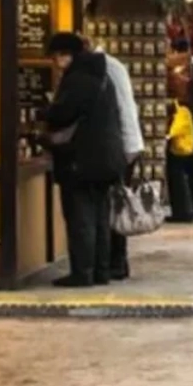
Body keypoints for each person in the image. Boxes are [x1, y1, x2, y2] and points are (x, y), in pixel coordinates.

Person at [43, 32, 127, 288]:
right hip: (107, 158)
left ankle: (82, 272)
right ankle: (101, 270)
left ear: (65, 55)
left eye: (57, 56)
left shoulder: (77, 79)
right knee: (101, 216)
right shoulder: (102, 75)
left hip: (81, 159)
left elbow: (62, 114)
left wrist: (46, 110)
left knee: (81, 217)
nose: (55, 63)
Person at [103, 50, 144, 280]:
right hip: (128, 144)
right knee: (118, 204)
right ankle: (119, 260)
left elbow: (122, 110)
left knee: (116, 206)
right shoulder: (115, 67)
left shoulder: (106, 69)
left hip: (121, 146)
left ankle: (116, 260)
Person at [165, 90, 193, 223]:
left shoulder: (182, 110)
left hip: (182, 150)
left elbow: (177, 127)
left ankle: (183, 212)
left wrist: (167, 135)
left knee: (178, 180)